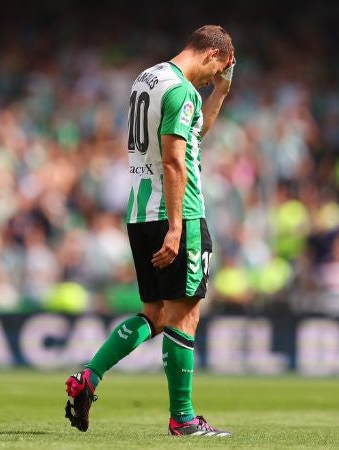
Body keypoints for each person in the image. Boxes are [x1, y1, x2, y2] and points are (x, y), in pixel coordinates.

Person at [64, 25, 235, 437]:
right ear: (213, 54)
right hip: (179, 213)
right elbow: (176, 161)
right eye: (219, 71)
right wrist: (177, 227)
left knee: (156, 313)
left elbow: (192, 136)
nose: (214, 80)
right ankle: (183, 418)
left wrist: (221, 95)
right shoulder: (182, 91)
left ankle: (88, 376)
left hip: (139, 214)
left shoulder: (149, 78)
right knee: (185, 314)